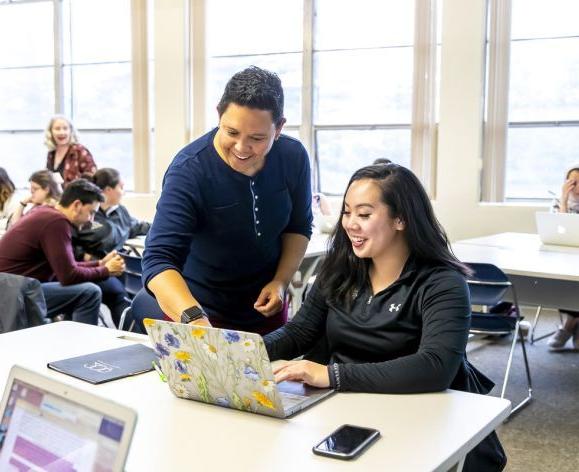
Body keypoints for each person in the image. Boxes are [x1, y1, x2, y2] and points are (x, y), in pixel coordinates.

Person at [264, 163, 506, 471]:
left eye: (364, 215)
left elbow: (435, 366)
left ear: (401, 219)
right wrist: (243, 351)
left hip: (419, 416)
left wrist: (331, 375)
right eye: (347, 212)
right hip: (346, 408)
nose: (350, 224)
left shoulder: (442, 282)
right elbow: (298, 333)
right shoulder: (338, 269)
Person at [140, 66, 312, 334]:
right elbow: (159, 260)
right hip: (198, 312)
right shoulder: (189, 171)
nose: (242, 148)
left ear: (278, 128)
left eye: (257, 138)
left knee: (275, 375)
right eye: (231, 132)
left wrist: (280, 281)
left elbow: (298, 226)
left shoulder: (293, 157)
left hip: (265, 310)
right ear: (219, 114)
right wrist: (196, 321)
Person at [0, 179, 125, 325]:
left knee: (79, 290)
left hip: (13, 287)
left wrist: (99, 263)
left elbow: (66, 266)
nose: (91, 220)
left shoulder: (47, 213)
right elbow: (68, 276)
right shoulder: (56, 222)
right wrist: (105, 270)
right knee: (89, 292)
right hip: (12, 294)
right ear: (77, 205)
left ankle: (68, 340)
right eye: (91, 213)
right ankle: (84, 347)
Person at [73, 168, 150, 260]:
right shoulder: (86, 214)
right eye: (121, 188)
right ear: (108, 190)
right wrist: (88, 258)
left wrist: (165, 226)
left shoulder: (121, 212)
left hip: (117, 266)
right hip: (91, 268)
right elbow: (70, 242)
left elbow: (137, 227)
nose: (123, 192)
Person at [547, 165, 579, 350]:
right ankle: (573, 325)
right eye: (572, 182)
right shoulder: (558, 202)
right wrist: (564, 200)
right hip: (563, 258)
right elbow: (558, 230)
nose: (575, 186)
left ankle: (568, 326)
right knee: (560, 279)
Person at [45, 115, 97, 187]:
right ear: (50, 132)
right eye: (57, 129)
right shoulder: (51, 153)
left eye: (65, 128)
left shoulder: (80, 151)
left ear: (71, 131)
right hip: (58, 197)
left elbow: (93, 178)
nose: (61, 132)